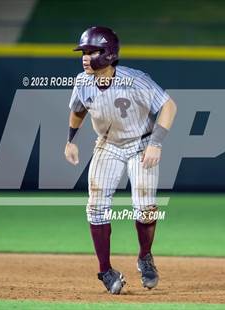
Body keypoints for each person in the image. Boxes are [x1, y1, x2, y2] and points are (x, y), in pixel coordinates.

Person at [64, 26, 177, 294]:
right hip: (108, 145)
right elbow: (78, 110)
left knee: (145, 207)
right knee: (96, 207)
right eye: (84, 51)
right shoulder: (82, 82)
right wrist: (70, 140)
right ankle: (105, 271)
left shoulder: (135, 80)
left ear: (109, 54)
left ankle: (145, 257)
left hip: (142, 144)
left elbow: (168, 106)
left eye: (91, 51)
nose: (85, 56)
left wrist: (157, 143)